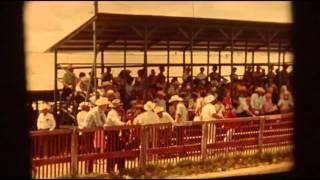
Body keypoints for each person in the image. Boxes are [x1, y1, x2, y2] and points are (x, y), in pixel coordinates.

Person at [103, 99, 126, 173]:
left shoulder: (118, 112)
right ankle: (110, 169)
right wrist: (124, 124)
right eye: (120, 106)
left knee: (119, 150)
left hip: (116, 133)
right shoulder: (112, 113)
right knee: (112, 151)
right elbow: (116, 122)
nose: (121, 107)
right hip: (112, 133)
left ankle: (120, 168)